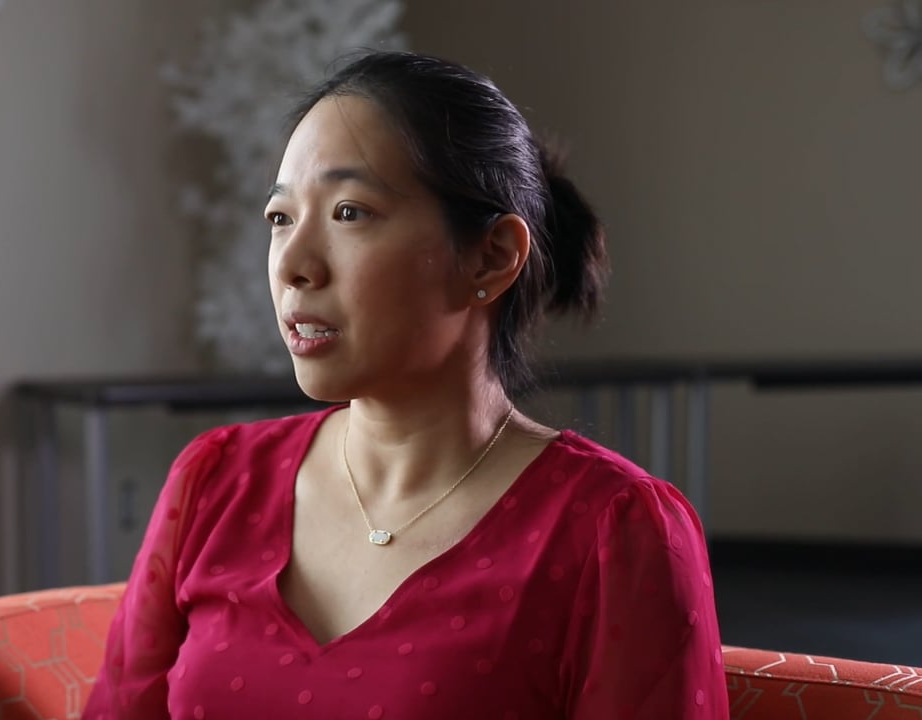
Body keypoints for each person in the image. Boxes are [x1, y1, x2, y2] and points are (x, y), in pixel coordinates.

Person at [85, 50, 728, 719]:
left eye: (349, 213)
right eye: (280, 218)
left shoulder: (614, 531)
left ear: (491, 257)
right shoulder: (215, 482)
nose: (294, 265)